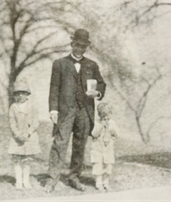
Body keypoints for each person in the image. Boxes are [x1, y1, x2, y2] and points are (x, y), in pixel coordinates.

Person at [45, 29, 106, 193]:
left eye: (83, 46)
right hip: (65, 111)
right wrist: (53, 109)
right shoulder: (59, 64)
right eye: (77, 45)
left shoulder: (92, 65)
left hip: (84, 111)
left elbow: (101, 84)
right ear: (72, 44)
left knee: (80, 146)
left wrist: (97, 92)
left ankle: (74, 177)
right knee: (60, 144)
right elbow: (54, 88)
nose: (79, 48)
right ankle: (52, 180)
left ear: (87, 47)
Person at [8, 80, 41, 190]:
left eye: (22, 93)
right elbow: (12, 122)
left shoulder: (32, 106)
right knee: (17, 160)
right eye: (17, 93)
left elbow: (36, 122)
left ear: (27, 94)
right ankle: (18, 181)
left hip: (29, 137)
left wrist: (28, 133)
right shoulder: (13, 107)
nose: (20, 95)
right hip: (17, 138)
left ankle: (26, 181)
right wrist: (18, 134)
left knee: (27, 161)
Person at [91, 103, 119, 191]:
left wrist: (114, 132)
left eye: (108, 116)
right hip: (98, 149)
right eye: (103, 117)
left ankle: (105, 182)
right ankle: (98, 182)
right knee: (98, 166)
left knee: (108, 167)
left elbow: (117, 134)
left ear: (111, 114)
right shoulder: (97, 123)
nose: (106, 119)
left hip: (108, 149)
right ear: (99, 115)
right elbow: (94, 134)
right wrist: (101, 126)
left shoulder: (112, 123)